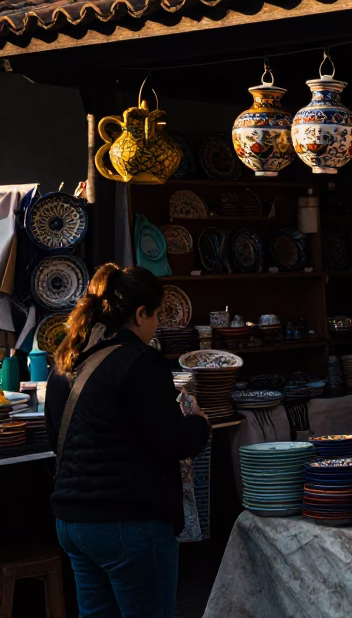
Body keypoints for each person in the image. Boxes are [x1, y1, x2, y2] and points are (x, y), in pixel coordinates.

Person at [45, 263, 210, 618]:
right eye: (155, 316)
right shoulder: (139, 360)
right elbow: (170, 441)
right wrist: (199, 424)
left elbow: (56, 437)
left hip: (73, 522)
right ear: (139, 314)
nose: (157, 326)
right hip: (126, 521)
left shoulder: (68, 361)